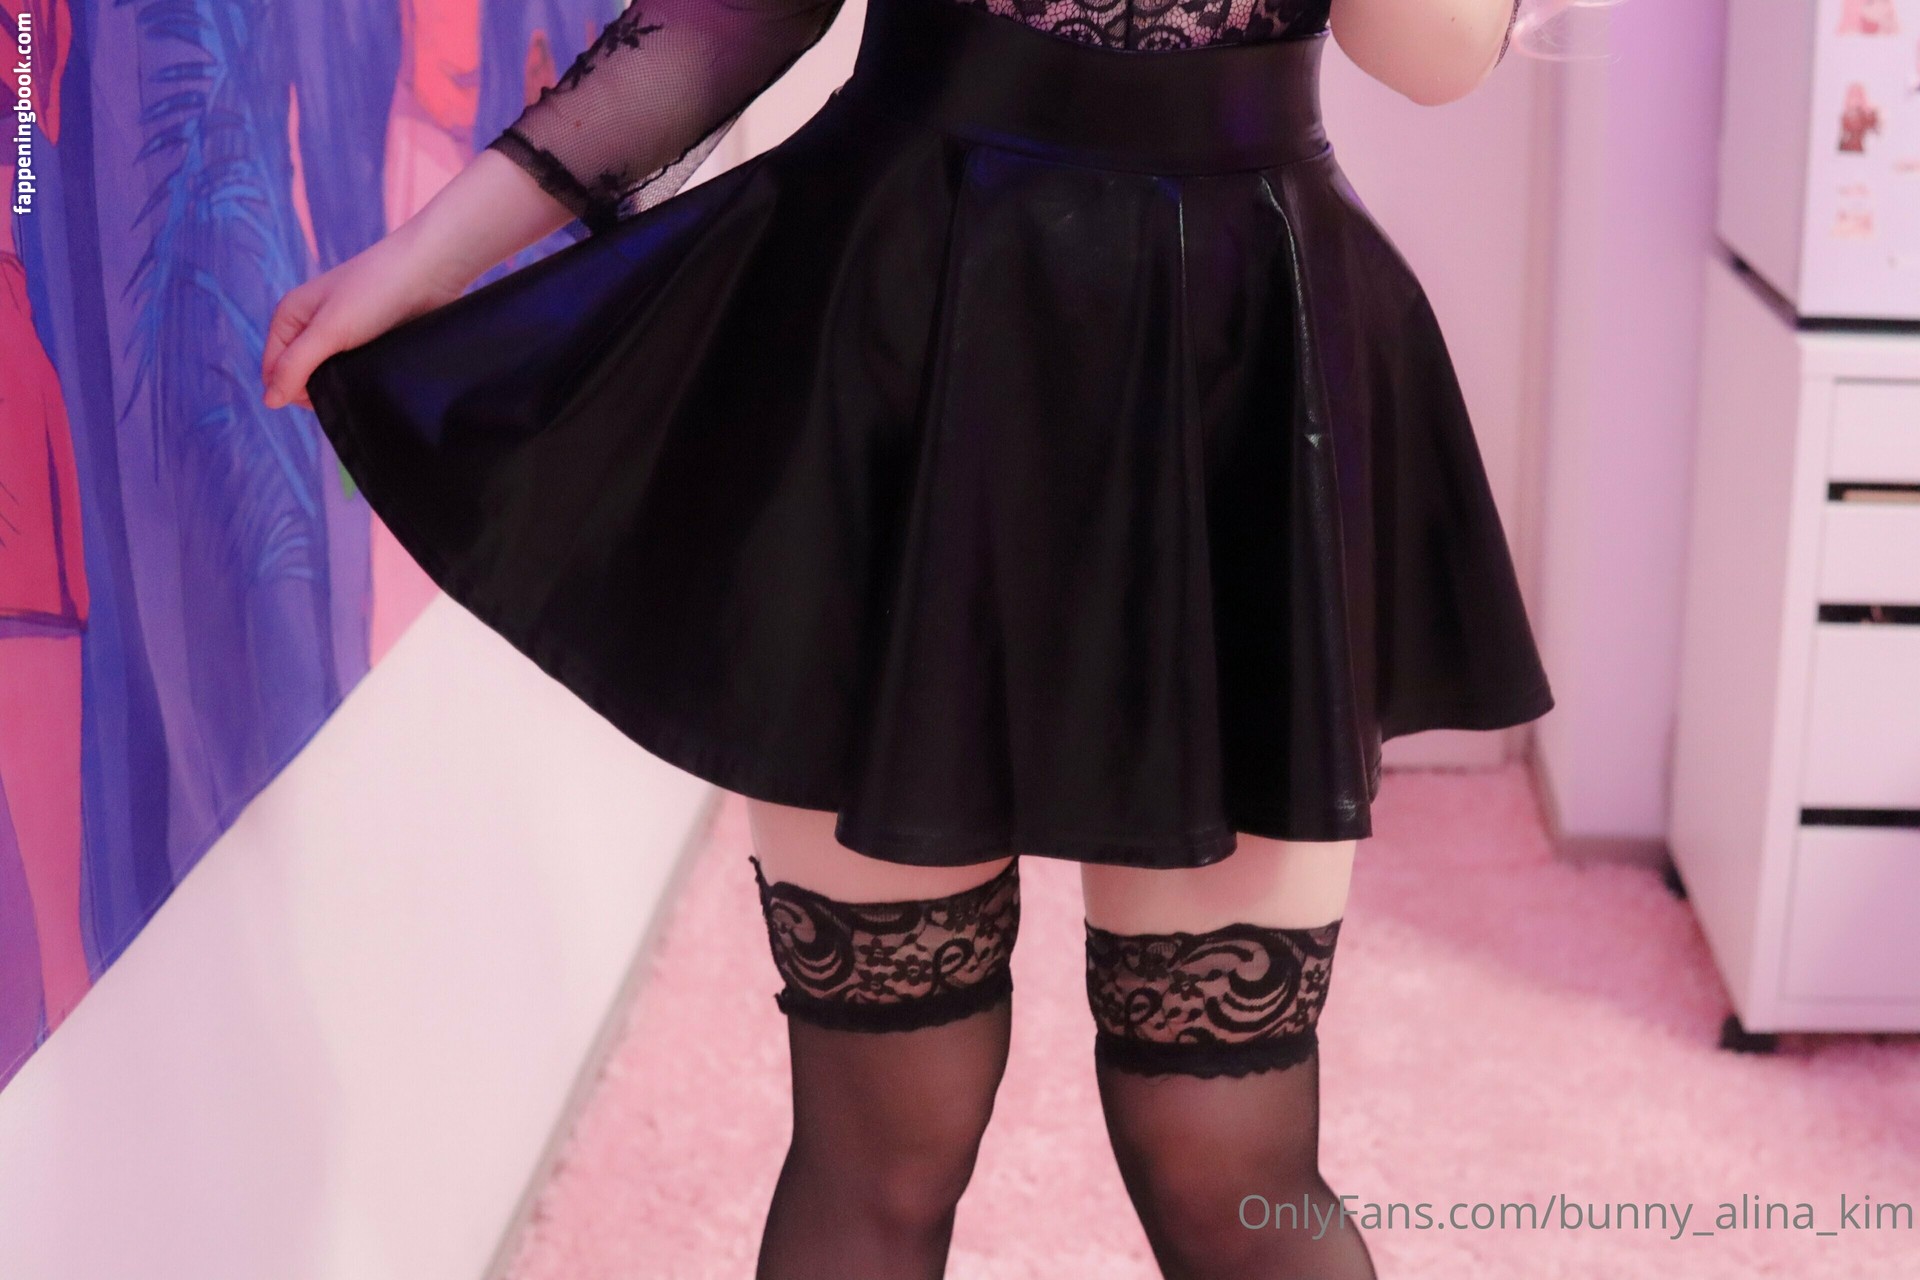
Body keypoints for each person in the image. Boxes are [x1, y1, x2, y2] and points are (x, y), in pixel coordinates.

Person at [263, 0, 1561, 1274]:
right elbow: (731, 17)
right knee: (883, 1145)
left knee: (1224, 1157)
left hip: (1232, 360)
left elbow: (1432, 59)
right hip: (897, 337)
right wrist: (425, 261)